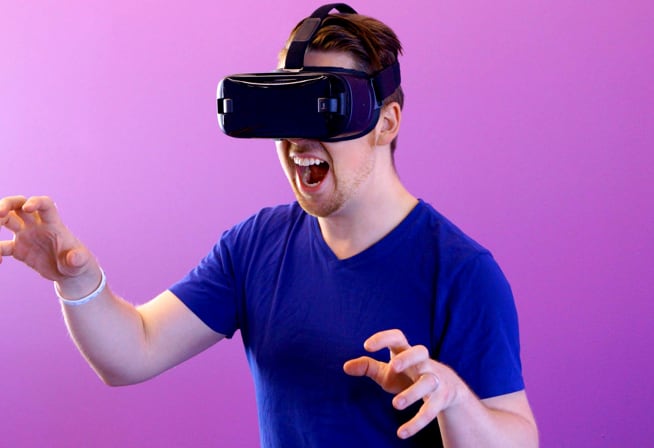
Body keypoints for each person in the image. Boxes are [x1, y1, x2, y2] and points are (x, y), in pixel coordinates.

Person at [0, 5, 538, 447]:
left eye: (325, 108)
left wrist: (454, 397)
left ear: (386, 122)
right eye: (287, 106)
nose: (298, 140)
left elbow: (516, 437)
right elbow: (132, 351)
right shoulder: (256, 245)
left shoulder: (461, 272)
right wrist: (75, 281)